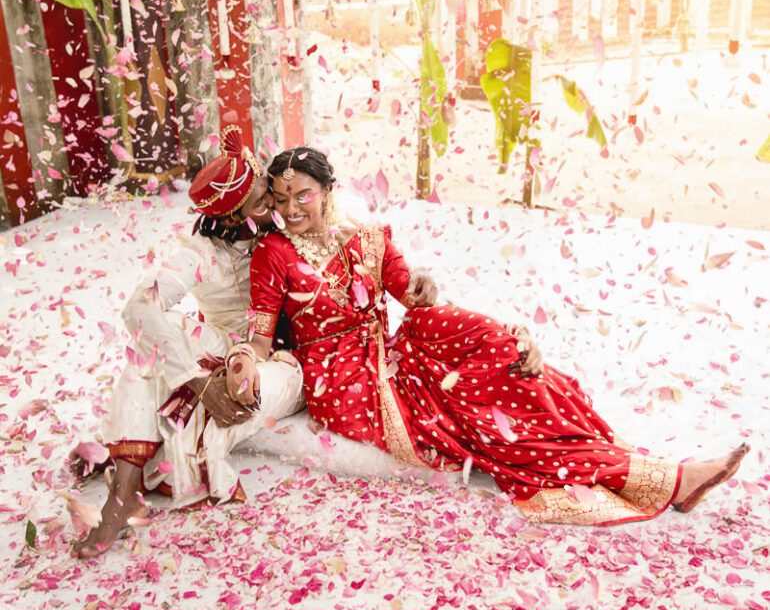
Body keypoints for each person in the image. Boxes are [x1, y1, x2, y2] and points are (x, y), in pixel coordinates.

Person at [226, 147, 749, 526]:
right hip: (345, 381)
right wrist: (245, 360)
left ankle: (526, 363)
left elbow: (413, 295)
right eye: (280, 199)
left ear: (328, 191)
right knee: (475, 413)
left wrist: (449, 305)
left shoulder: (367, 238)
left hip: (388, 349)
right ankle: (664, 479)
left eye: (303, 195)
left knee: (479, 343)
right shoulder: (272, 253)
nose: (291, 210)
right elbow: (260, 332)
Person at [74, 126, 306, 558]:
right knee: (144, 360)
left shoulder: (289, 223)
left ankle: (144, 471)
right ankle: (121, 495)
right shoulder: (202, 251)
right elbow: (138, 309)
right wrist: (192, 380)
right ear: (235, 217)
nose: (275, 202)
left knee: (215, 378)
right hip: (225, 344)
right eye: (262, 200)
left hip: (282, 359)